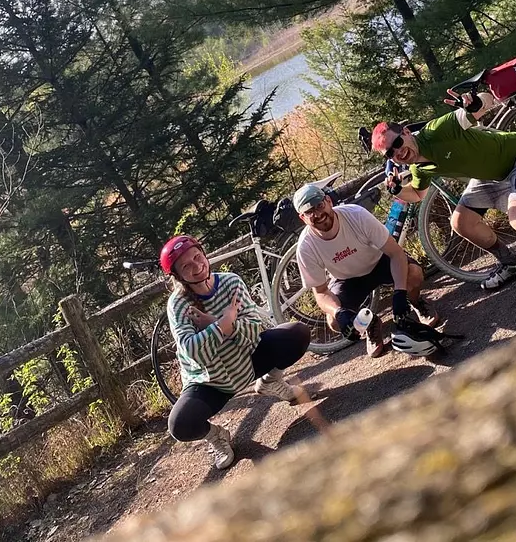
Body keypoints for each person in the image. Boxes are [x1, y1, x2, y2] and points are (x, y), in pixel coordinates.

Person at [370, 90, 516, 297]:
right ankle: (510, 262)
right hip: (491, 177)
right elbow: (417, 195)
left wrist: (475, 101)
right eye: (390, 152)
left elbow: (485, 102)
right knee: (460, 222)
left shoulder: (437, 130)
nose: (398, 151)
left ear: (407, 132)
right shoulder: (418, 168)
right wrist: (398, 190)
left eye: (397, 142)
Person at [160, 234, 312, 470]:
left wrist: (215, 323)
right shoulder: (178, 304)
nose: (197, 266)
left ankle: (271, 382)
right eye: (186, 266)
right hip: (211, 380)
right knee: (180, 425)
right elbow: (192, 352)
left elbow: (254, 330)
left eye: (197, 257)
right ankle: (216, 436)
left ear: (204, 253)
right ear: (178, 276)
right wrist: (225, 323)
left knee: (297, 334)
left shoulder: (231, 282)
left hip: (248, 359)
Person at [292, 182, 441, 358]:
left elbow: (395, 253)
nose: (318, 214)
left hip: (380, 261)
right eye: (310, 212)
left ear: (328, 201)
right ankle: (370, 324)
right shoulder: (306, 246)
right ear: (303, 217)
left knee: (414, 275)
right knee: (333, 321)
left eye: (319, 206)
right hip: (348, 279)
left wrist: (400, 292)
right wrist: (339, 312)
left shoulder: (356, 215)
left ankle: (416, 303)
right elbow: (321, 292)